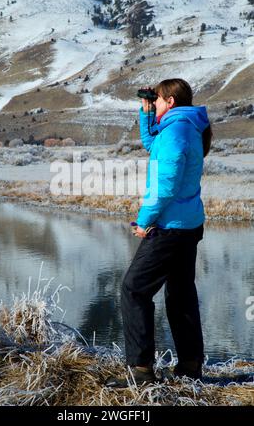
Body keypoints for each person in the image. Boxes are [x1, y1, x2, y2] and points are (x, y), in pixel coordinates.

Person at [106, 78, 212, 388]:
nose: (157, 103)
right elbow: (153, 143)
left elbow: (164, 187)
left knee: (134, 289)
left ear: (171, 102)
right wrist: (146, 112)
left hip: (169, 228)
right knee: (180, 294)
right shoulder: (184, 127)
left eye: (160, 100)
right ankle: (190, 366)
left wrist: (144, 221)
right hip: (187, 225)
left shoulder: (176, 131)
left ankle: (140, 370)